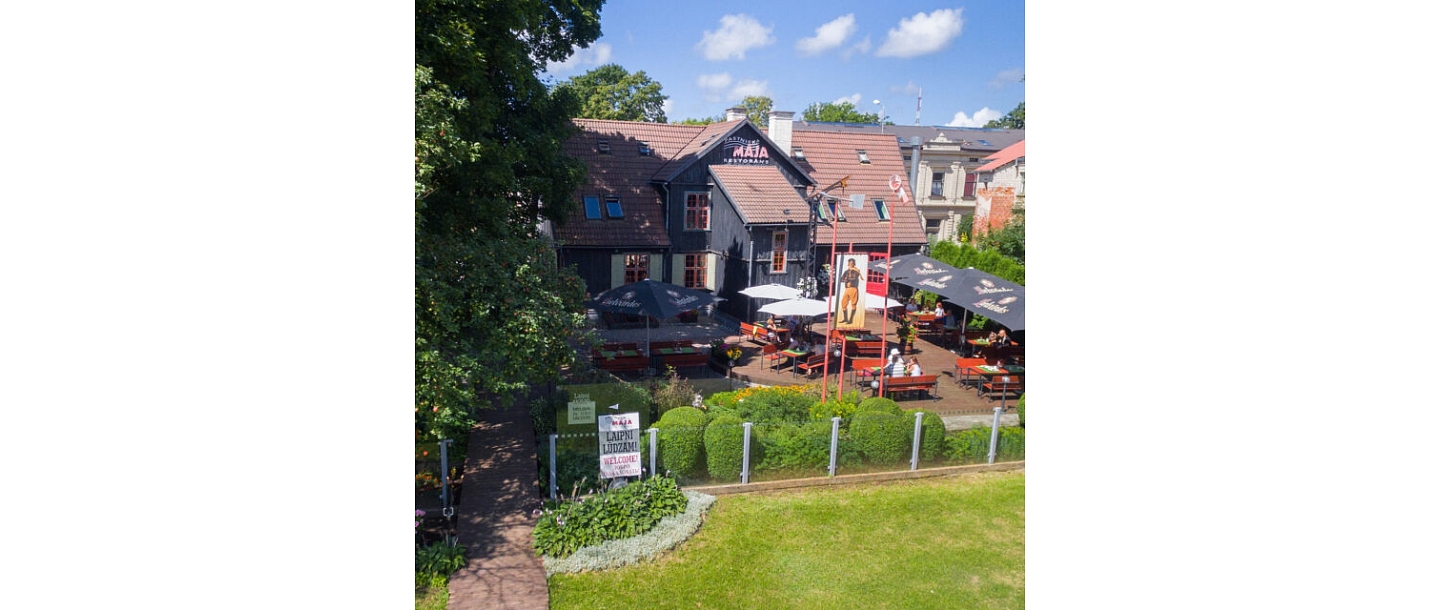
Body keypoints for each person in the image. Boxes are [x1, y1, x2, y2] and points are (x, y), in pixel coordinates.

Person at [838, 258, 862, 325]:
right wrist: (844, 280)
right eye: (850, 263)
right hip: (847, 289)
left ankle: (851, 319)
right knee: (843, 303)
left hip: (853, 288)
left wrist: (847, 279)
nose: (850, 264)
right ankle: (845, 318)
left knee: (853, 304)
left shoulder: (856, 271)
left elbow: (854, 278)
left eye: (852, 263)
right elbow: (841, 279)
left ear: (854, 264)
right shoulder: (846, 271)